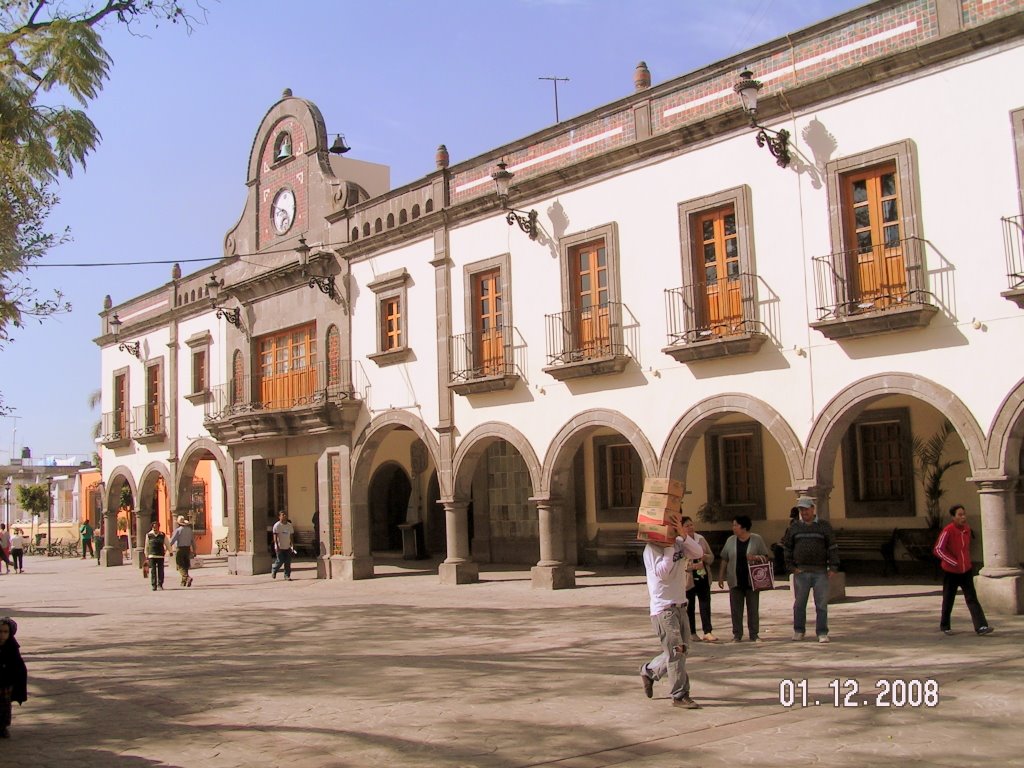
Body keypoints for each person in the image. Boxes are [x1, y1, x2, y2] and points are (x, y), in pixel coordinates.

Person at [638, 511, 705, 709]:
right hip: (663, 608)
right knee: (677, 650)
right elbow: (662, 574)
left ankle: (649, 671)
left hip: (680, 604)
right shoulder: (651, 549)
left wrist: (683, 536)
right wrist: (668, 548)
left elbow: (698, 553)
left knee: (682, 650)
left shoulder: (679, 542)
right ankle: (680, 694)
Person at [782, 497, 839, 643]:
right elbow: (787, 547)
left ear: (813, 509)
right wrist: (791, 567)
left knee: (821, 604)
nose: (804, 512)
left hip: (820, 571)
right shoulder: (794, 527)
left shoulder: (823, 526)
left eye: (806, 509)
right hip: (801, 571)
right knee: (799, 604)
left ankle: (822, 632)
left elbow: (832, 547)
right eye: (801, 510)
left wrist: (833, 566)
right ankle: (799, 630)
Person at [934, 504, 993, 636]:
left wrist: (966, 563)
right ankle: (945, 625)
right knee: (948, 598)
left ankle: (981, 626)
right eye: (960, 515)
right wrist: (953, 562)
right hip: (951, 571)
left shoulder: (966, 529)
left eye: (964, 514)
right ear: (953, 517)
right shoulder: (947, 530)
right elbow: (938, 549)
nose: (963, 517)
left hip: (966, 570)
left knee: (972, 598)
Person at [717, 515, 771, 642]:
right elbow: (725, 558)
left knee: (753, 608)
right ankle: (737, 634)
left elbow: (766, 556)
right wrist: (721, 577)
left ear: (743, 527)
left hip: (752, 580)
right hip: (735, 579)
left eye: (736, 525)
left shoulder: (757, 539)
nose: (733, 527)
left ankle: (754, 634)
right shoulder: (730, 540)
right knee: (736, 609)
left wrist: (755, 558)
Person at [681, 517, 717, 642]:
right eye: (687, 525)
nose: (691, 527)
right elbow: (678, 561)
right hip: (688, 578)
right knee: (689, 606)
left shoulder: (700, 539)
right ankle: (692, 632)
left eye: (692, 524)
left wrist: (704, 558)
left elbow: (711, 556)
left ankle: (707, 631)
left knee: (705, 603)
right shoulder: (680, 541)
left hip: (703, 575)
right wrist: (690, 565)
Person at [0, 617, 27, 738]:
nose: (2, 635)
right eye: (0, 631)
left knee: (5, 705)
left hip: (6, 682)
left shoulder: (12, 647)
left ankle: (3, 727)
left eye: (5, 632)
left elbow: (18, 666)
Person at [169, 515, 195, 588]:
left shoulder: (178, 530)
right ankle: (183, 582)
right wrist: (194, 550)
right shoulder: (189, 530)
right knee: (186, 565)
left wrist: (168, 547)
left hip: (180, 549)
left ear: (178, 523)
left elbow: (172, 540)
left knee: (180, 565)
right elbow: (193, 541)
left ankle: (187, 577)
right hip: (187, 549)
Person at [271, 510, 295, 581]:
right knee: (280, 561)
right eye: (283, 515)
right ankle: (274, 570)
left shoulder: (289, 525)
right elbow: (275, 537)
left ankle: (287, 575)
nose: (284, 516)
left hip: (287, 546)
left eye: (285, 515)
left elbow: (291, 535)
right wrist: (277, 546)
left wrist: (292, 545)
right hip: (280, 547)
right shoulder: (277, 525)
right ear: (279, 517)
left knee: (288, 562)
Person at [145, 520, 168, 591]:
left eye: (156, 527)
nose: (155, 528)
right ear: (152, 527)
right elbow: (146, 545)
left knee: (161, 570)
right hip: (152, 555)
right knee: (153, 571)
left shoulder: (162, 535)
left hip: (160, 555)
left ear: (158, 527)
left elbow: (167, 543)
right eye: (154, 527)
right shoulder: (149, 535)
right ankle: (153, 585)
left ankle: (160, 584)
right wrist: (146, 554)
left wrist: (169, 551)